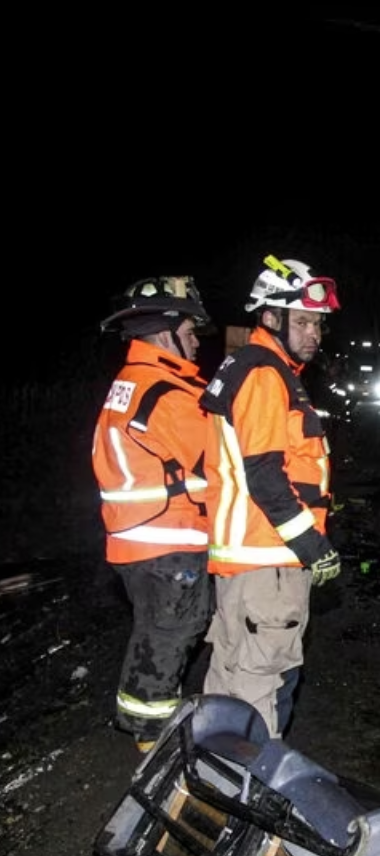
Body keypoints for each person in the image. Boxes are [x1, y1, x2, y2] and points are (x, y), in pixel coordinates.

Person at [200, 255, 342, 738]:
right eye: (302, 321)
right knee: (265, 688)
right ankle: (248, 794)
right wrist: (313, 547)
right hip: (269, 563)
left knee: (229, 683)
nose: (314, 334)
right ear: (270, 318)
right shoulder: (264, 374)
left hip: (250, 564)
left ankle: (211, 782)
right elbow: (265, 475)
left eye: (318, 324)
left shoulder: (256, 367)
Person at [91, 276, 214, 752]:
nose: (195, 341)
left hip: (136, 539)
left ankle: (149, 726)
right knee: (168, 637)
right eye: (190, 331)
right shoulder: (168, 394)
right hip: (167, 539)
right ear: (165, 332)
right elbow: (215, 465)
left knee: (159, 634)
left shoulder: (131, 383)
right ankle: (152, 743)